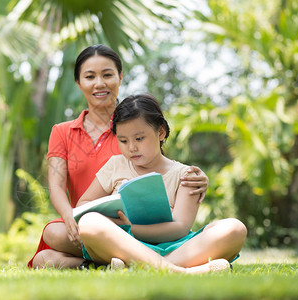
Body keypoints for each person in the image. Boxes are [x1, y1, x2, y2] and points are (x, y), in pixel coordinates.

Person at [29, 45, 209, 269]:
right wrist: (69, 217)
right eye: (89, 76)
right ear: (78, 83)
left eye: (107, 75)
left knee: (56, 255)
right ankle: (112, 264)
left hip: (144, 225)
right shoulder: (62, 131)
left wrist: (199, 178)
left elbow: (160, 165)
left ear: (120, 77)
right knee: (51, 237)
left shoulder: (133, 124)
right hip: (88, 221)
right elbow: (56, 186)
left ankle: (132, 261)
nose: (99, 83)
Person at [76, 94, 247, 273]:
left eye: (139, 138)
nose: (131, 147)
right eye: (123, 141)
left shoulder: (186, 175)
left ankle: (144, 267)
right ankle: (180, 271)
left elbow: (180, 228)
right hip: (125, 244)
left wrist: (130, 227)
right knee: (89, 222)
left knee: (235, 228)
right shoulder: (115, 165)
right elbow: (83, 205)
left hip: (177, 248)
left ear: (161, 132)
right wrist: (113, 221)